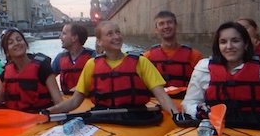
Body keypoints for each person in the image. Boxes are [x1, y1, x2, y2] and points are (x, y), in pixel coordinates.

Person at [48, 20, 180, 116]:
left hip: (136, 116)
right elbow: (75, 101)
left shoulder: (141, 62)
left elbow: (162, 97)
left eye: (118, 32)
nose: (116, 37)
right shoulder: (92, 64)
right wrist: (50, 111)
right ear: (99, 41)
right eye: (110, 34)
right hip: (103, 118)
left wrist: (176, 115)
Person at [181, 21, 260, 129]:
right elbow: (189, 103)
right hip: (214, 128)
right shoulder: (203, 69)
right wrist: (199, 111)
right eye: (223, 42)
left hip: (255, 128)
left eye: (235, 41)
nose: (229, 46)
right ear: (218, 46)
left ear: (245, 44)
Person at [0, 28, 63, 112]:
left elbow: (58, 102)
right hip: (15, 119)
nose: (16, 43)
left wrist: (45, 113)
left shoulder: (43, 69)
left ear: (26, 44)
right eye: (11, 42)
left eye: (19, 40)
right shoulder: (5, 74)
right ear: (7, 51)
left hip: (40, 119)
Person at [143, 11, 204, 92]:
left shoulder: (195, 56)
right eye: (161, 24)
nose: (166, 26)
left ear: (176, 26)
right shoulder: (146, 58)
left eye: (169, 22)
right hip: (156, 102)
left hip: (186, 101)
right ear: (156, 30)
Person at [51, 23, 95, 95]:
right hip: (67, 99)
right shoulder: (60, 58)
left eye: (64, 34)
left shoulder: (92, 56)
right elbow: (49, 79)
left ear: (74, 38)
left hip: (88, 99)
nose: (60, 37)